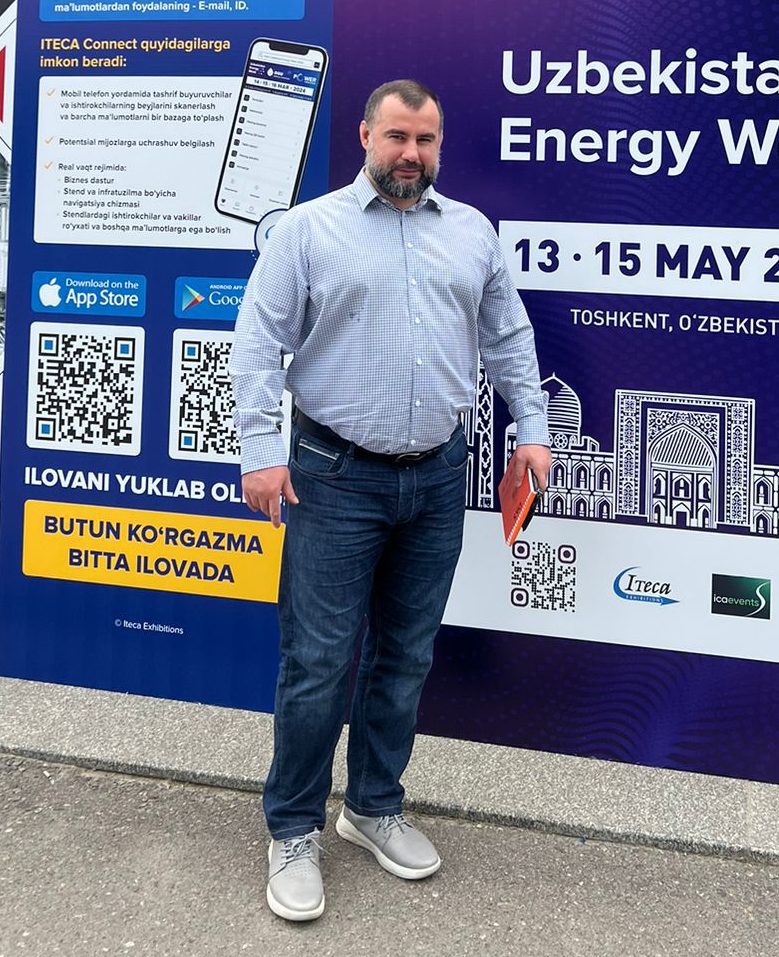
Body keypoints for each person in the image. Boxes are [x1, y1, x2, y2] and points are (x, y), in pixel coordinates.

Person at [231, 78, 551, 922]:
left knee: (405, 656)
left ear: (440, 146)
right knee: (318, 663)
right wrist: (260, 452)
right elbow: (257, 342)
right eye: (398, 137)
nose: (412, 154)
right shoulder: (308, 231)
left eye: (426, 140)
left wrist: (533, 429)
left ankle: (372, 807)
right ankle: (293, 828)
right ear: (365, 135)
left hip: (439, 476)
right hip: (333, 475)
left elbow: (509, 337)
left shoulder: (472, 232)